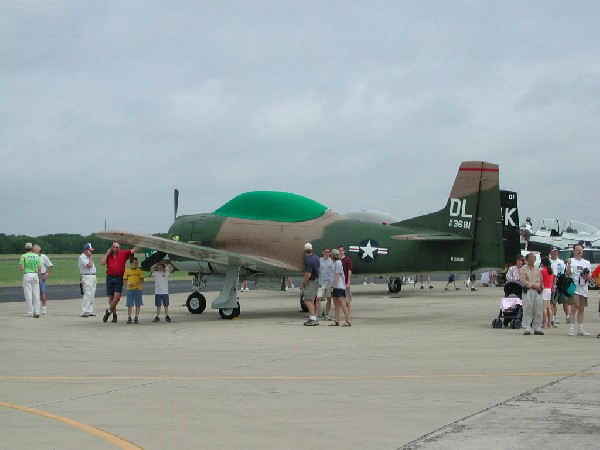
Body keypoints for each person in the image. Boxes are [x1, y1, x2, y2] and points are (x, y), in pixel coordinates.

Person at [101, 242, 140, 323]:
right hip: (110, 277)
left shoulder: (123, 253)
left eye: (117, 247)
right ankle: (114, 315)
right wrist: (107, 252)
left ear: (119, 248)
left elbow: (133, 250)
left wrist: (140, 243)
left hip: (119, 278)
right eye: (113, 247)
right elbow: (102, 262)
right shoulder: (109, 255)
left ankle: (108, 312)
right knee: (111, 298)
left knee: (117, 298)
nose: (115, 249)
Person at [566, 243, 592, 336]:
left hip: (584, 289)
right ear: (574, 251)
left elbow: (590, 277)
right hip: (574, 288)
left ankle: (580, 329)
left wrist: (586, 276)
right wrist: (568, 264)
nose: (580, 251)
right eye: (578, 250)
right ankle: (571, 329)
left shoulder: (587, 263)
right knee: (573, 308)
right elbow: (568, 274)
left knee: (581, 309)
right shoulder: (571, 261)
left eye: (581, 250)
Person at [520, 252, 544, 335]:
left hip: (537, 291)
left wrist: (541, 288)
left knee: (538, 309)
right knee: (527, 309)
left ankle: (537, 328)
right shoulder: (523, 269)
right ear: (527, 260)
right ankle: (527, 327)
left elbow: (541, 280)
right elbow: (523, 280)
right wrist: (532, 285)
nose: (532, 259)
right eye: (530, 258)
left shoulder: (538, 269)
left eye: (534, 258)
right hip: (528, 291)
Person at [329, 248, 351, 327]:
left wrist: (333, 285)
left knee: (342, 303)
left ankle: (348, 320)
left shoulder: (338, 263)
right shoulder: (334, 263)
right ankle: (336, 320)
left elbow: (338, 275)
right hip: (335, 287)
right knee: (336, 304)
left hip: (339, 287)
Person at [19, 242, 41, 318]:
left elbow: (21, 268)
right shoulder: (36, 256)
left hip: (27, 274)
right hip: (35, 275)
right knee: (36, 293)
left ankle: (30, 311)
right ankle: (37, 311)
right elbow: (39, 268)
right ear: (32, 248)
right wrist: (39, 276)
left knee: (28, 293)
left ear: (25, 248)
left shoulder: (23, 256)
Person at [301, 243, 320, 326]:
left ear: (305, 250)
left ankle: (313, 318)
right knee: (311, 300)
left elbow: (308, 274)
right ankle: (313, 317)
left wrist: (303, 283)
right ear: (311, 249)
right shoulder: (316, 258)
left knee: (307, 300)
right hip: (316, 281)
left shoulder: (308, 260)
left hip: (311, 281)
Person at [33, 244, 53, 315]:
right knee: (34, 293)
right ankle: (35, 308)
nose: (34, 250)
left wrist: (47, 274)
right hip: (34, 275)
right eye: (33, 249)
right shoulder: (32, 257)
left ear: (39, 249)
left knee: (42, 292)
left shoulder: (43, 257)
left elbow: (50, 266)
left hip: (42, 275)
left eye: (35, 249)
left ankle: (44, 308)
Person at [123, 257, 144, 324]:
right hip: (130, 289)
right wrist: (128, 284)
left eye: (137, 263)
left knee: (138, 303)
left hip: (137, 289)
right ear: (131, 263)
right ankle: (129, 317)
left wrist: (137, 282)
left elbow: (142, 279)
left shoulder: (139, 271)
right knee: (129, 304)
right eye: (135, 263)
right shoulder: (127, 271)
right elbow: (124, 280)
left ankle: (136, 317)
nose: (136, 264)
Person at [78, 243, 97, 317]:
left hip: (92, 276)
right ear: (86, 250)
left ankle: (89, 311)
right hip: (87, 276)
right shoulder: (82, 257)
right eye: (90, 250)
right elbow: (90, 265)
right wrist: (90, 257)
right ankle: (84, 311)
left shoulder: (87, 257)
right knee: (87, 294)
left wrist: (89, 257)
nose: (91, 252)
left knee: (92, 294)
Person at [549, 247, 566, 325]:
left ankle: (567, 316)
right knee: (553, 301)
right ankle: (554, 317)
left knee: (564, 301)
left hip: (561, 282)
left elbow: (563, 272)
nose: (555, 253)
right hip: (552, 283)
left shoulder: (561, 262)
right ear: (550, 252)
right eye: (554, 251)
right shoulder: (549, 261)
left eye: (556, 252)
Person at [316, 247, 334, 320]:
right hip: (321, 282)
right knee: (318, 298)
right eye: (325, 252)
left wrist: (333, 284)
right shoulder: (319, 260)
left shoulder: (332, 261)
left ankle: (327, 314)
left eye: (328, 252)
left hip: (329, 283)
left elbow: (333, 272)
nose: (327, 253)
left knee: (329, 299)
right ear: (323, 252)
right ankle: (316, 315)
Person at [338, 245, 353, 316]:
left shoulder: (347, 259)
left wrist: (348, 282)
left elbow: (349, 270)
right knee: (339, 299)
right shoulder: (337, 260)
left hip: (345, 282)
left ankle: (348, 314)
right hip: (338, 283)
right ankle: (338, 314)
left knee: (347, 300)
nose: (341, 252)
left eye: (342, 250)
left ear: (344, 251)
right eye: (339, 250)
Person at [540, 257, 554, 329]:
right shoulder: (550, 271)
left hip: (544, 289)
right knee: (549, 307)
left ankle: (544, 323)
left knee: (544, 308)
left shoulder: (542, 271)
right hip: (549, 289)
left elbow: (541, 281)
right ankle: (549, 323)